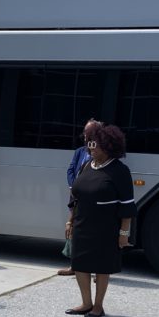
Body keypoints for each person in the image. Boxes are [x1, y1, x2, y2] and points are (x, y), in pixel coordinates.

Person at [65, 124, 136, 317]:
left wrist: (123, 234)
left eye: (96, 145)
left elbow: (127, 206)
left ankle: (98, 306)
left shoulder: (120, 170)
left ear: (110, 147)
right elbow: (76, 197)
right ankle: (86, 303)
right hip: (82, 223)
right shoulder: (88, 165)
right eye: (89, 144)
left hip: (105, 227)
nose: (91, 148)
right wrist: (70, 221)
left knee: (102, 266)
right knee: (80, 264)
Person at [59, 118, 102, 276]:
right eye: (84, 132)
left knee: (91, 232)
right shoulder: (80, 151)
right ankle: (74, 266)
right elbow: (70, 170)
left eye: (88, 132)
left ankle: (95, 268)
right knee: (72, 229)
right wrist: (73, 186)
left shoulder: (101, 151)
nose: (85, 135)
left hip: (91, 198)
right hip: (76, 196)